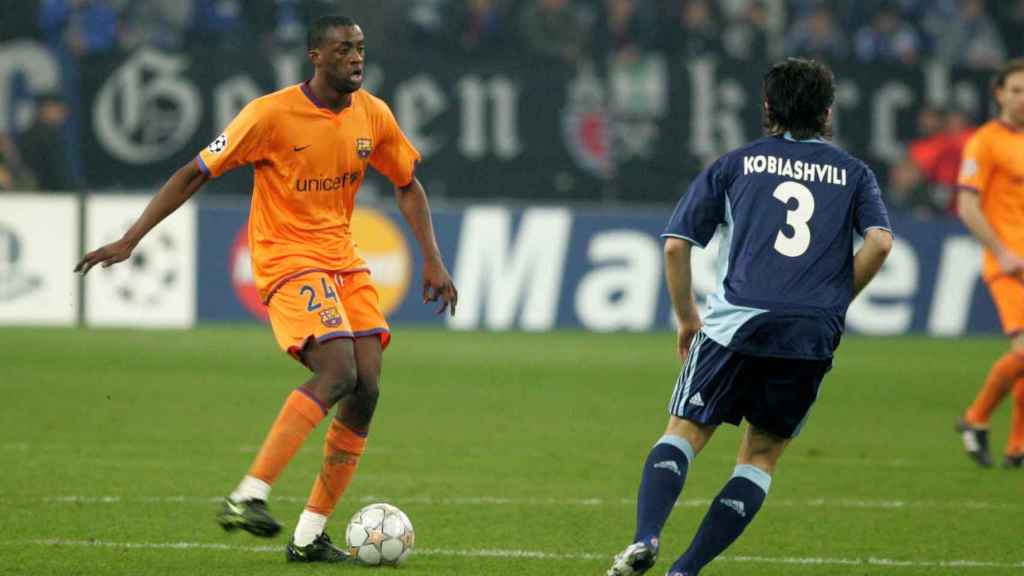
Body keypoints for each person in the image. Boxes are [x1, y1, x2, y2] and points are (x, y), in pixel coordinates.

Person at [74, 15, 458, 562]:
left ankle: (308, 537)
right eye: (344, 49)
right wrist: (130, 238)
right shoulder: (269, 114)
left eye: (361, 49)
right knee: (338, 372)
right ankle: (247, 495)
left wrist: (433, 260)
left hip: (343, 262)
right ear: (315, 57)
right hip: (287, 259)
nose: (356, 58)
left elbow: (407, 184)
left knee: (367, 388)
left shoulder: (373, 114)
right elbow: (195, 172)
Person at [606, 58, 893, 576]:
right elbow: (880, 241)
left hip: (735, 322)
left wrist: (687, 318)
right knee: (760, 457)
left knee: (685, 431)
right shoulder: (854, 174)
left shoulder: (737, 163)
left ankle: (646, 537)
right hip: (808, 333)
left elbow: (676, 247)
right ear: (827, 113)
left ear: (767, 108)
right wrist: (832, 298)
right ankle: (685, 570)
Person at [955, 59, 1024, 470]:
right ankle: (975, 417)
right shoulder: (985, 141)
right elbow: (966, 204)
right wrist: (1000, 251)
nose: (1022, 98)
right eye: (1015, 90)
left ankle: (1017, 447)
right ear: (999, 94)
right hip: (1009, 264)